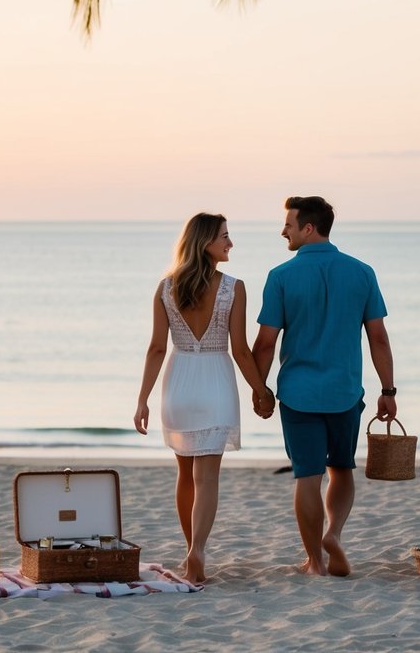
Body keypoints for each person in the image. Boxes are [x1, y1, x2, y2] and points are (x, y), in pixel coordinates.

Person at [252, 195, 397, 577]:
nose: (283, 230)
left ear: (308, 228)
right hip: (345, 392)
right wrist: (388, 390)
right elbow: (378, 339)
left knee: (307, 475)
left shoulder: (280, 276)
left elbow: (265, 343)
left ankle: (315, 560)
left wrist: (259, 388)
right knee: (343, 469)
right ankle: (333, 534)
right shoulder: (362, 272)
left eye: (289, 223)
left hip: (299, 394)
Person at [134, 213, 274, 583]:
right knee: (207, 477)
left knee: (185, 474)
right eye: (225, 237)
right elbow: (241, 350)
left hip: (178, 383)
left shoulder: (166, 288)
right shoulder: (233, 287)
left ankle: (190, 549)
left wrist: (142, 400)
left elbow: (155, 350)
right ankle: (197, 550)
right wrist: (261, 391)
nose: (230, 243)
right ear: (205, 242)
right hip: (215, 382)